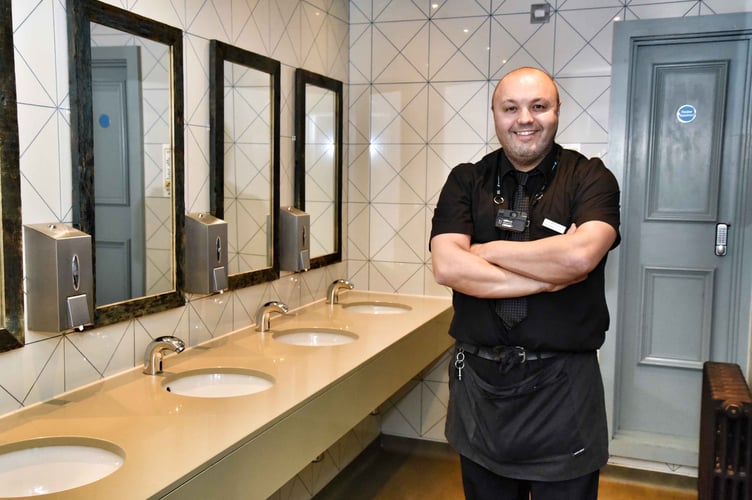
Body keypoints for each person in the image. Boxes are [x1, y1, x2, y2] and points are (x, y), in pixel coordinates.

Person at [429, 66, 621, 499]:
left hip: (563, 392)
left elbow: (578, 256)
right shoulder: (466, 180)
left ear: (557, 112)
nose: (525, 119)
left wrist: (486, 251)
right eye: (510, 108)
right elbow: (448, 268)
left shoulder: (591, 177)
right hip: (480, 389)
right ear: (495, 114)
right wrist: (547, 279)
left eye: (539, 106)